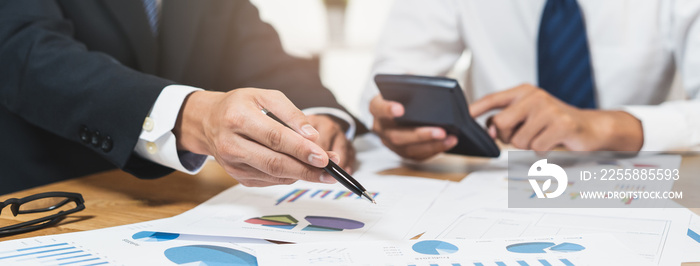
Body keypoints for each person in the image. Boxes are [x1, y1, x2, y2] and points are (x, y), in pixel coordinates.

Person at [0, 0, 363, 194]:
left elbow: (259, 55)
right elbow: (23, 49)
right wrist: (188, 115)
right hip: (45, 198)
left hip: (175, 201)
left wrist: (318, 116)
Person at [361, 0, 700, 161]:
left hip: (635, 178)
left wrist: (610, 126)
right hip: (490, 180)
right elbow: (384, 91)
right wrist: (397, 121)